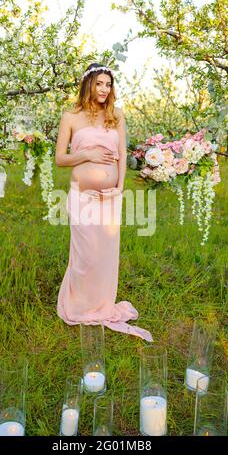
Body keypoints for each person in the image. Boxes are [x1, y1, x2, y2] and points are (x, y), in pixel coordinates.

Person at [55, 63, 152, 342]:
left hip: (109, 197)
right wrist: (88, 157)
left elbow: (121, 154)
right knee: (85, 254)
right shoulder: (71, 117)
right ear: (88, 85)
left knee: (105, 256)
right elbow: (60, 158)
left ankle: (100, 306)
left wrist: (119, 189)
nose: (104, 89)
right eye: (99, 84)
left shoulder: (116, 116)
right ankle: (79, 306)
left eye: (108, 84)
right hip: (82, 196)